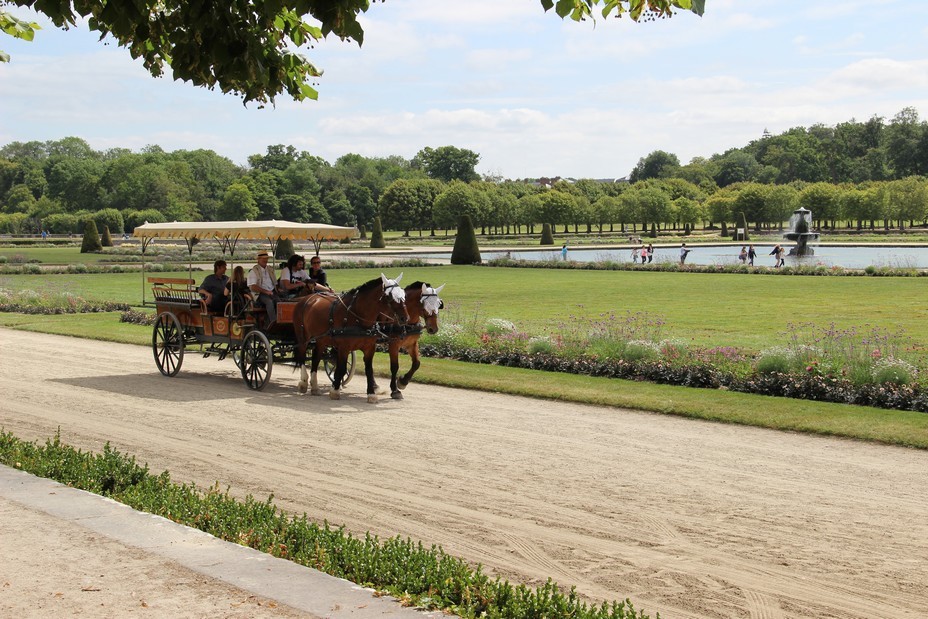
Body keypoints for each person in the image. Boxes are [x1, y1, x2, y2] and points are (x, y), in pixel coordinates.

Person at [247, 250, 278, 325]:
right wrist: (266, 292)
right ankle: (273, 323)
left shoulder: (270, 270)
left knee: (280, 302)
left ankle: (282, 320)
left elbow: (275, 283)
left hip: (272, 291)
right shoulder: (253, 271)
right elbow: (253, 287)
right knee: (269, 302)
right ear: (258, 259)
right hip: (259, 294)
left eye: (266, 258)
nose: (265, 260)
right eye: (263, 258)